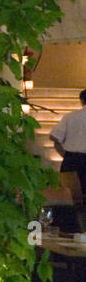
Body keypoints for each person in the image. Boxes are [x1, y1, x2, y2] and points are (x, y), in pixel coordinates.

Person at [49, 89, 86, 232]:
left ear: (81, 101)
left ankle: (71, 229)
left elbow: (54, 137)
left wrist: (65, 154)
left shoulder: (71, 117)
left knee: (71, 196)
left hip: (72, 160)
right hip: (74, 158)